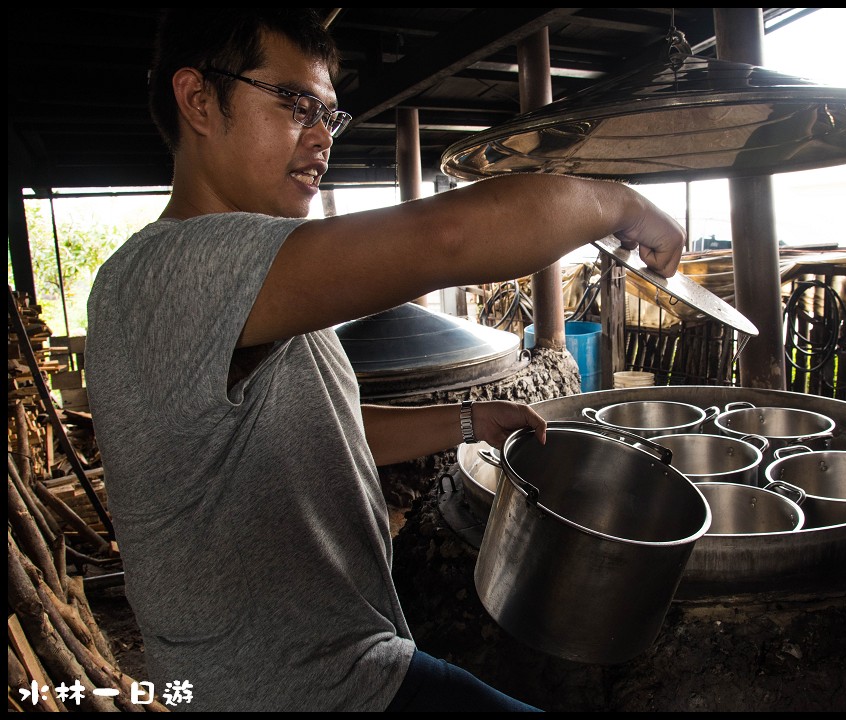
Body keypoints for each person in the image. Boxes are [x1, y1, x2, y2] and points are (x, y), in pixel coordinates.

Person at [85, 8, 685, 713]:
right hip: (287, 692)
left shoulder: (256, 289)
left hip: (350, 665)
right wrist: (618, 202)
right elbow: (449, 239)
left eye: (329, 116)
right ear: (197, 100)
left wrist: (467, 419)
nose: (320, 137)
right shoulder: (170, 272)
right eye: (293, 103)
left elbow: (321, 428)